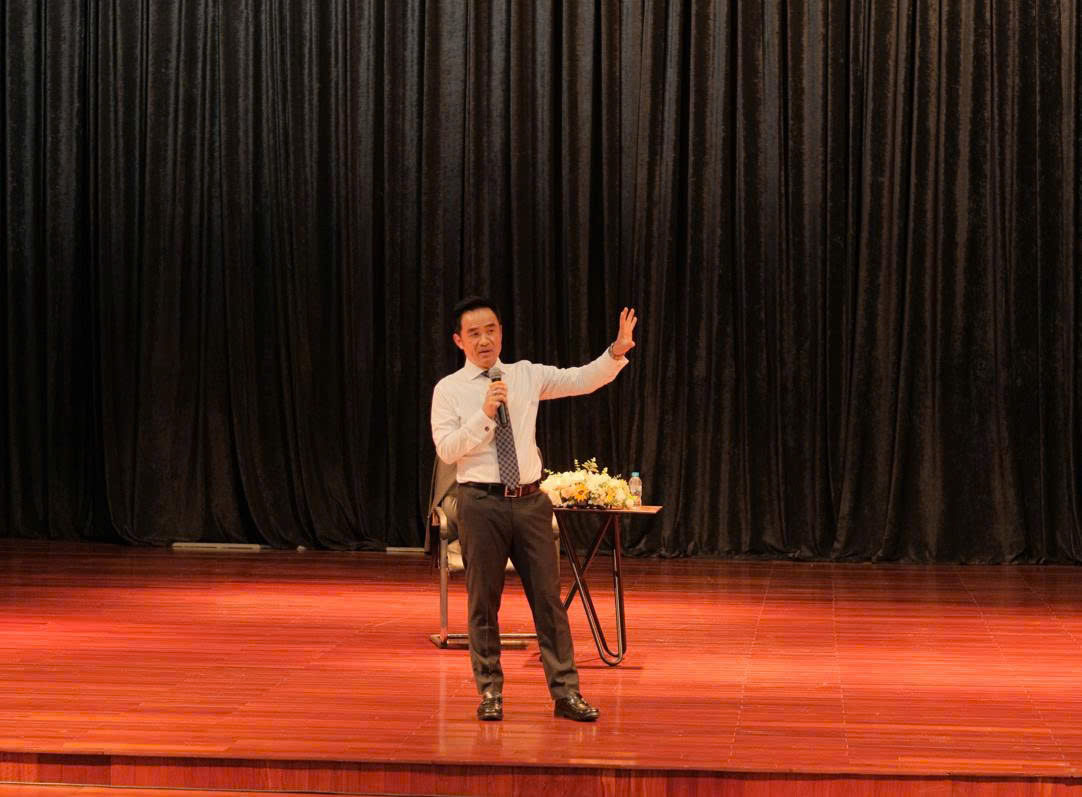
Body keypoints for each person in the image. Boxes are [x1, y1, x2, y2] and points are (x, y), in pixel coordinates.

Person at [430, 296, 637, 722]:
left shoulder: (525, 374)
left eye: (491, 330)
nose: (484, 340)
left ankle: (566, 693)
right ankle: (490, 692)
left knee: (548, 601)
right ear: (459, 341)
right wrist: (485, 414)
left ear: (501, 333)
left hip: (529, 502)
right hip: (479, 503)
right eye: (474, 333)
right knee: (483, 603)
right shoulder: (449, 389)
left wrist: (616, 352)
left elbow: (581, 379)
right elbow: (447, 450)